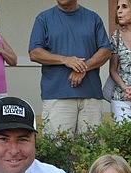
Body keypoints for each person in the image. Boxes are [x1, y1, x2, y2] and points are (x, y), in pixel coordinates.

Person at [28, 0, 111, 135]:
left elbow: (106, 51)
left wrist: (83, 67)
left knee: (90, 150)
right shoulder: (44, 18)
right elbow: (35, 53)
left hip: (91, 96)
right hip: (57, 96)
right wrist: (65, 60)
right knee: (58, 150)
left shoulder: (93, 18)